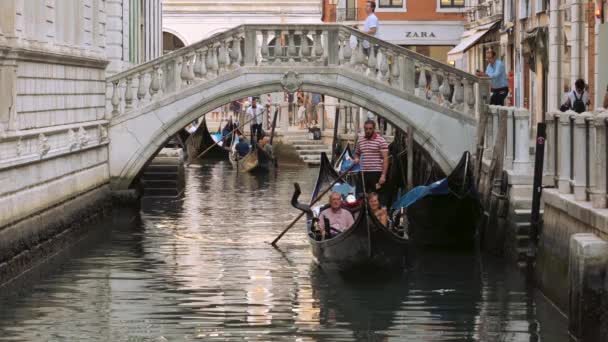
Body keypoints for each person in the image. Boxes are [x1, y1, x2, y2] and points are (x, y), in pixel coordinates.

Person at [354, 120, 389, 202]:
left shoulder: (381, 141)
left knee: (376, 197)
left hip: (376, 173)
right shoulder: (360, 141)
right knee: (360, 196)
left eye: (370, 128)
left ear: (374, 129)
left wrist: (383, 175)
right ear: (364, 129)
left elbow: (385, 159)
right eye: (366, 129)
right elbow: (356, 153)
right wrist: (356, 158)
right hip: (363, 172)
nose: (368, 131)